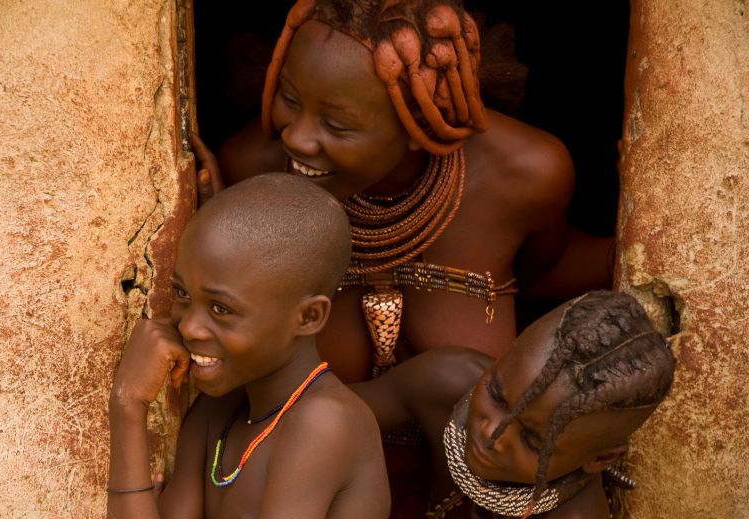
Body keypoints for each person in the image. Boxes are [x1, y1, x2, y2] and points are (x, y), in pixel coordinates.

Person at [193, 0, 614, 384]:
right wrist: (218, 241)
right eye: (289, 98)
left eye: (337, 125)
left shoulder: (522, 177)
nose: (297, 138)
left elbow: (543, 274)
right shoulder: (253, 172)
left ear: (423, 125)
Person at [107, 173, 390, 519]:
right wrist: (128, 404)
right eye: (182, 294)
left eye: (221, 309)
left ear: (308, 316)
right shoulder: (216, 413)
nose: (189, 327)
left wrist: (127, 408)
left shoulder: (324, 423)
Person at [353, 290, 676, 519]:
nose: (493, 434)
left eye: (533, 441)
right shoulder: (446, 379)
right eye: (497, 395)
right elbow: (330, 417)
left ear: (600, 459)